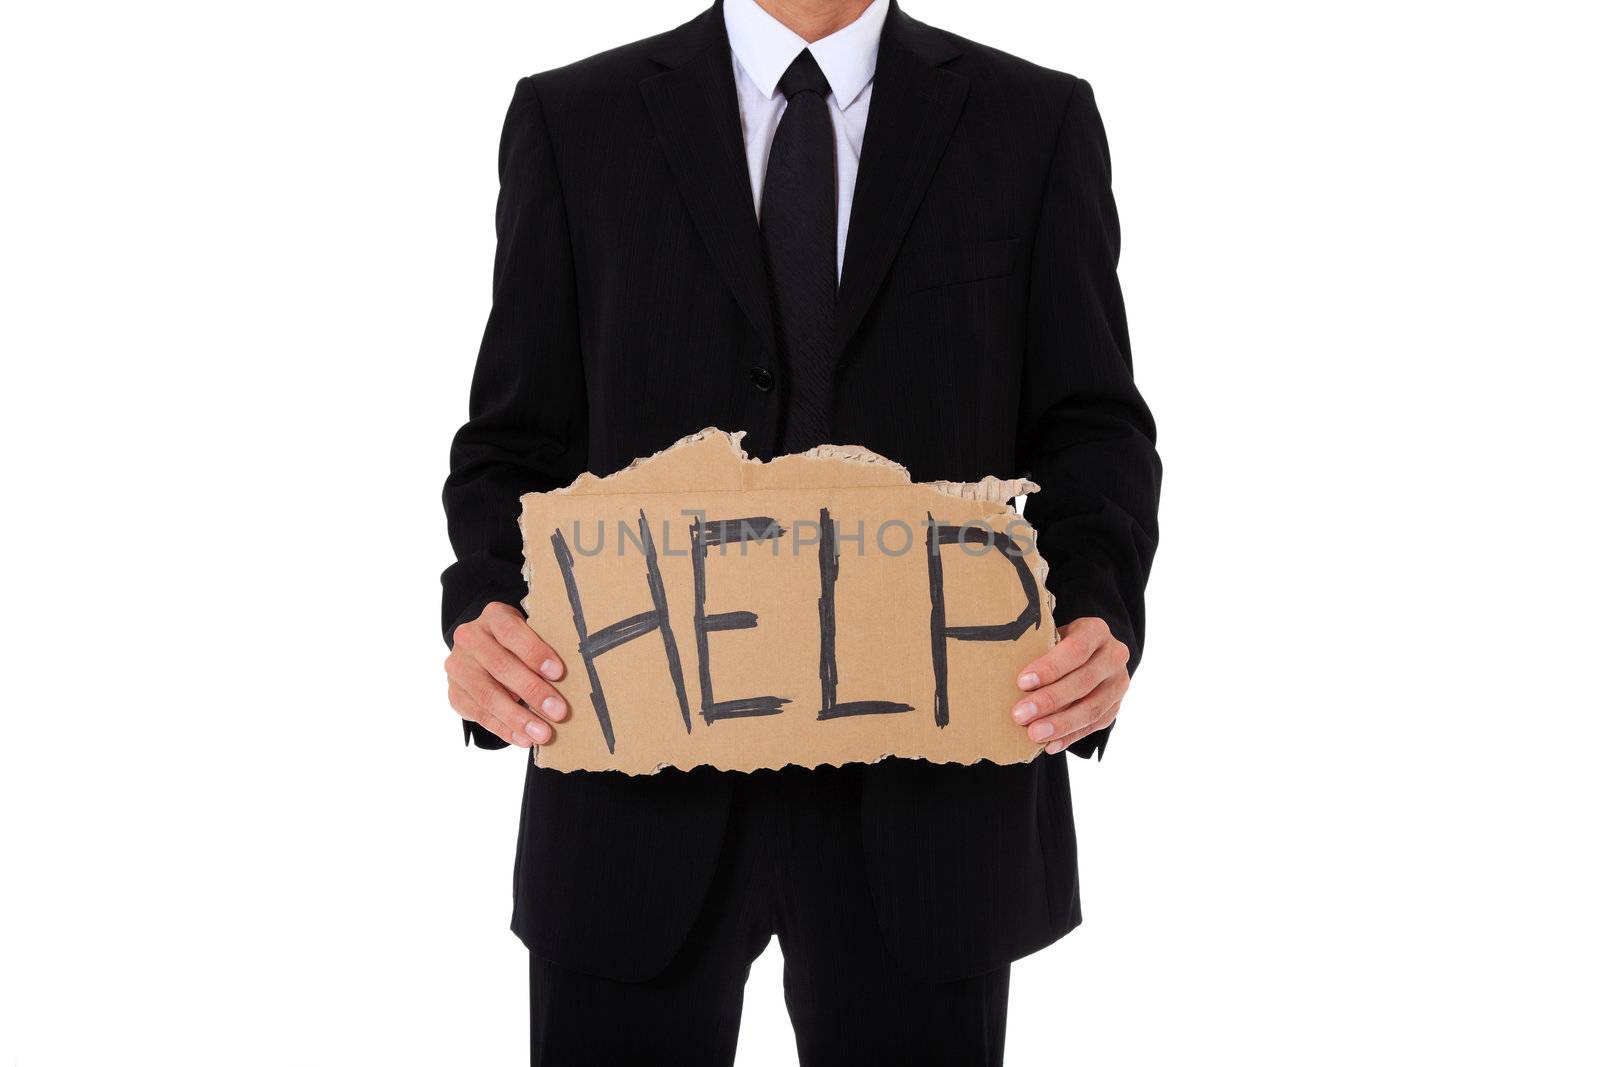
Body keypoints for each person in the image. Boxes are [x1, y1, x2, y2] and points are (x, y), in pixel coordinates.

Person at [440, 0, 1160, 1061]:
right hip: (634, 788)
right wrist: (486, 606)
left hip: (928, 805)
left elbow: (1090, 426)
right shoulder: (574, 120)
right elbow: (514, 442)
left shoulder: (1031, 121)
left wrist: (1096, 607)